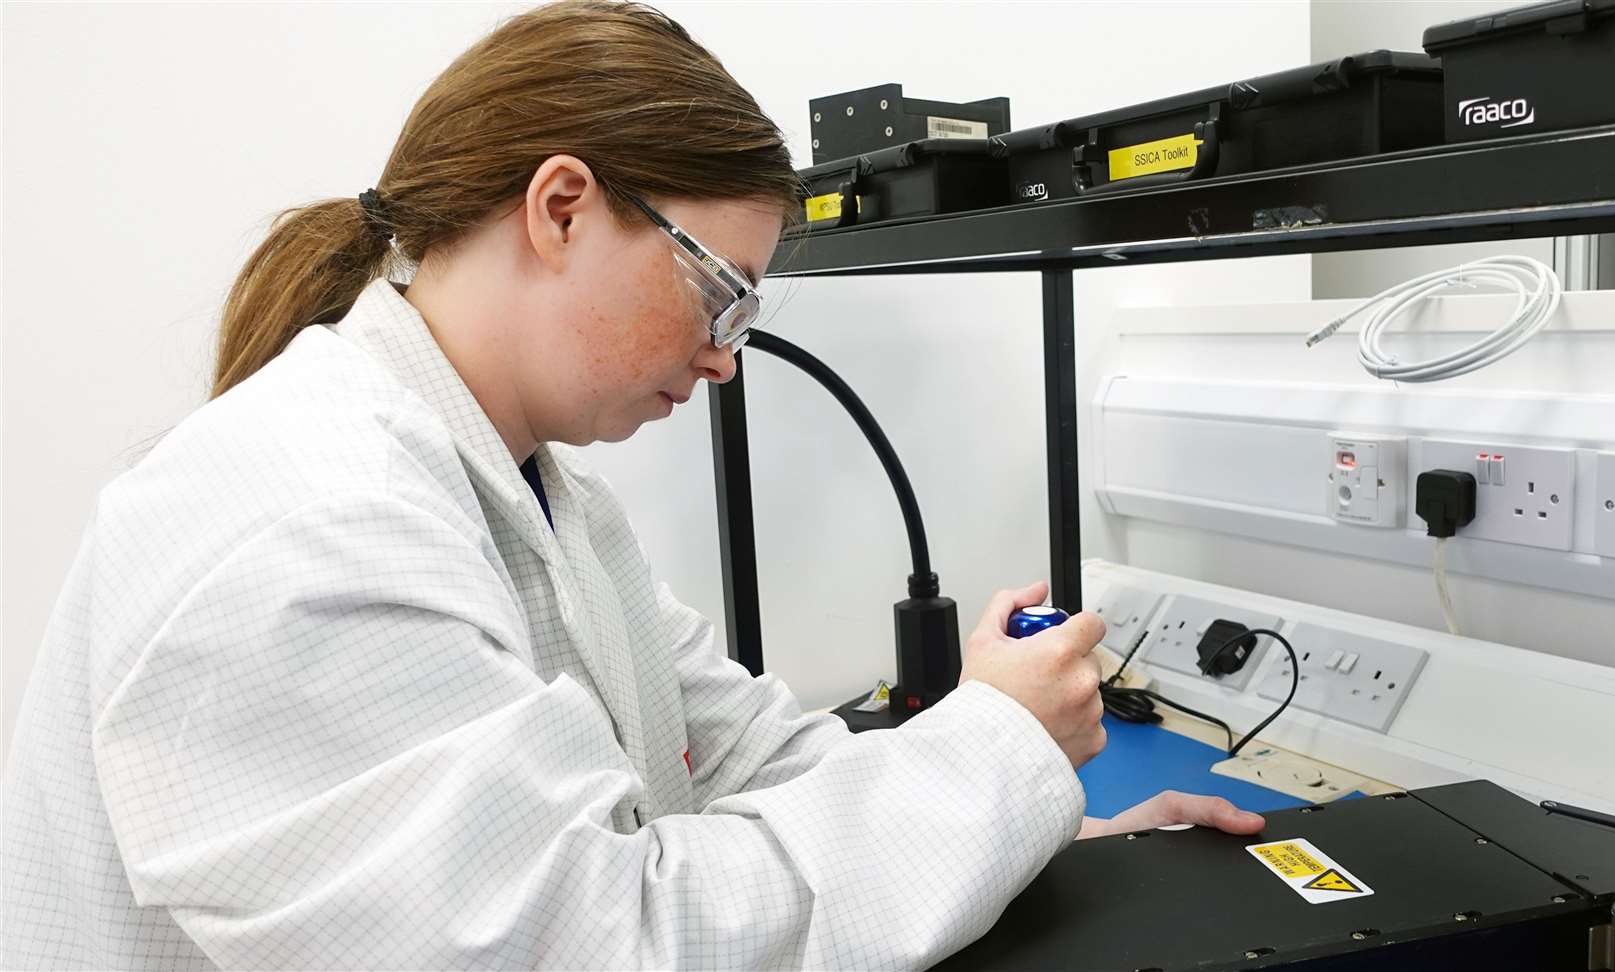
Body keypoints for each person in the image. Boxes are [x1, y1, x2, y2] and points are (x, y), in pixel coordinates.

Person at [1, 3, 1265, 968]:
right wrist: (994, 746)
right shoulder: (308, 525)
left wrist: (1041, 825)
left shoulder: (542, 502)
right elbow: (606, 941)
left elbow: (747, 761)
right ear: (561, 208)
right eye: (720, 291)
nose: (725, 356)